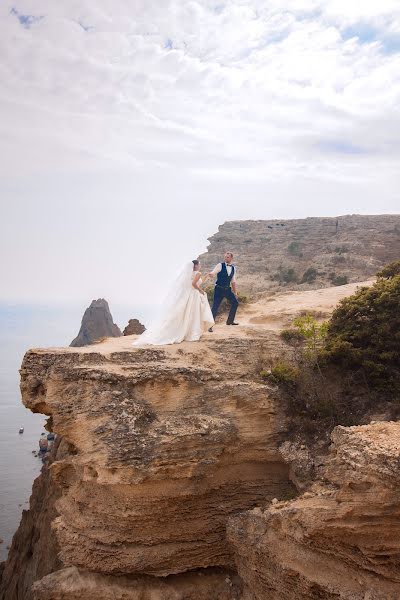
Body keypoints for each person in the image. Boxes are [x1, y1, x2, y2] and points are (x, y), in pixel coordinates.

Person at [132, 260, 214, 346]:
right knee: (193, 313)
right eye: (199, 264)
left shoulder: (190, 274)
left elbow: (197, 282)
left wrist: (207, 276)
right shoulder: (198, 273)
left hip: (190, 294)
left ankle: (187, 331)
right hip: (194, 294)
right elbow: (194, 284)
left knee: (188, 313)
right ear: (196, 266)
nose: (200, 266)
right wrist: (201, 290)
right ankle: (192, 332)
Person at [207, 252, 239, 332]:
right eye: (225, 257)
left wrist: (235, 293)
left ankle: (230, 321)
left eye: (228, 257)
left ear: (231, 258)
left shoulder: (233, 268)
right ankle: (210, 326)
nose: (226, 258)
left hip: (227, 289)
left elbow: (233, 281)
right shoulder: (220, 265)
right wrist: (211, 274)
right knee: (215, 307)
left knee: (235, 303)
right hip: (218, 289)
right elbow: (214, 272)